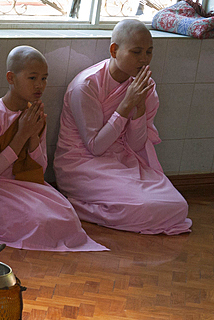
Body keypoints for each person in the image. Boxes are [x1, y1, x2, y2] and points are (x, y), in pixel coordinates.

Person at [0, 46, 107, 252]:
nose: (40, 85)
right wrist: (21, 135)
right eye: (32, 78)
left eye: (44, 78)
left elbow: (40, 167)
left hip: (26, 183)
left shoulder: (33, 113)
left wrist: (34, 136)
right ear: (11, 78)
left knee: (67, 215)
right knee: (39, 221)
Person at [54, 19, 191, 235]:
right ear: (114, 50)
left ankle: (102, 204)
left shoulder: (143, 85)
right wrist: (125, 105)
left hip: (122, 158)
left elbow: (136, 145)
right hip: (82, 163)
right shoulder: (87, 85)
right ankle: (79, 206)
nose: (144, 60)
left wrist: (138, 107)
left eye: (149, 52)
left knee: (178, 207)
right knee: (145, 207)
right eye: (136, 52)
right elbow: (95, 147)